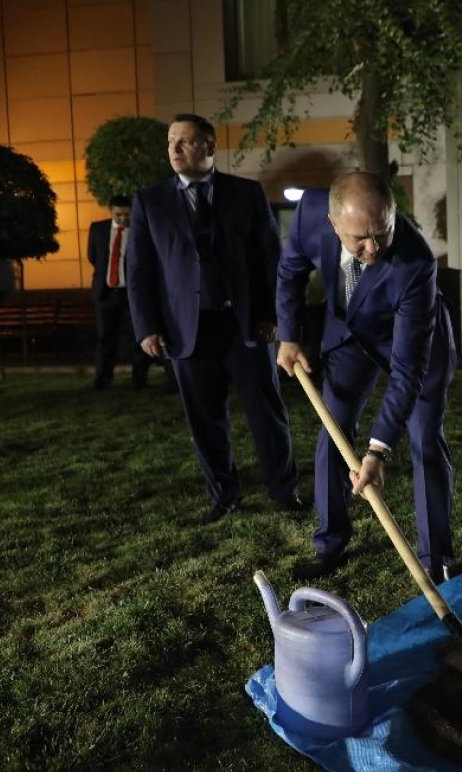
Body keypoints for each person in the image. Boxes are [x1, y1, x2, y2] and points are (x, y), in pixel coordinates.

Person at [275, 172, 457, 583]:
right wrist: (289, 336)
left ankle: (436, 559)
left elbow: (407, 371)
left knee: (425, 439)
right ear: (332, 222)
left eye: (382, 233)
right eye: (360, 238)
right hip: (351, 333)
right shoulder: (308, 213)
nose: (373, 248)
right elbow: (290, 270)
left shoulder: (416, 263)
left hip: (414, 340)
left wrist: (377, 452)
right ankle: (329, 544)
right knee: (332, 430)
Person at [127, 113, 304, 523]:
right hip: (186, 331)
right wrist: (147, 327)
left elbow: (270, 259)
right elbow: (139, 269)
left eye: (185, 141)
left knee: (267, 413)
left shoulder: (246, 193)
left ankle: (284, 491)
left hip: (246, 327)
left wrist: (274, 315)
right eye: (170, 142)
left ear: (209, 146)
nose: (174, 149)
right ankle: (223, 495)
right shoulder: (150, 201)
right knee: (205, 421)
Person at [87, 196, 161, 390]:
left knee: (138, 337)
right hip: (106, 293)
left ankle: (139, 380)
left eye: (127, 215)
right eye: (118, 215)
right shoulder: (98, 229)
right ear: (110, 211)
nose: (123, 219)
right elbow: (93, 257)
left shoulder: (139, 228)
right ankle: (103, 378)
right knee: (105, 338)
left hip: (132, 294)